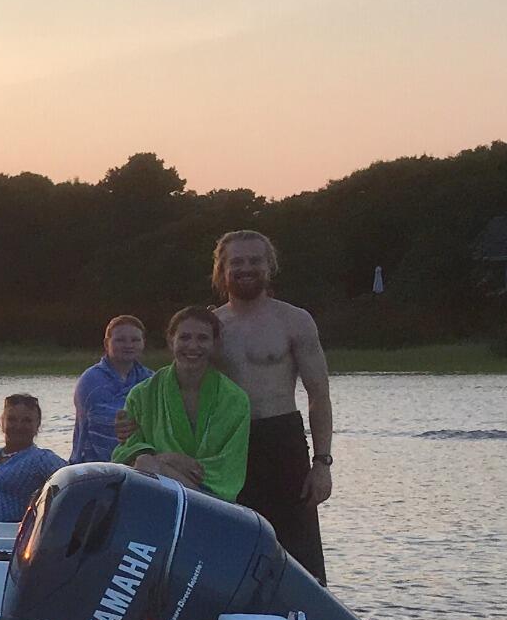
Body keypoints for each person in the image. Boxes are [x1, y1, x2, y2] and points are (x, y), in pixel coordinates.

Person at [212, 230, 334, 581]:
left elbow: (319, 395)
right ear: (222, 269)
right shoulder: (211, 326)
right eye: (237, 262)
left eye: (255, 260)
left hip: (283, 440)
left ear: (270, 266)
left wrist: (322, 463)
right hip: (230, 446)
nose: (246, 268)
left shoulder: (294, 320)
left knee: (300, 552)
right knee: (237, 549)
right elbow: (180, 387)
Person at [113, 307, 250, 500]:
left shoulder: (235, 400)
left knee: (147, 463)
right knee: (144, 462)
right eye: (184, 338)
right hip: (156, 495)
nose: (193, 346)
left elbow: (229, 467)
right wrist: (168, 460)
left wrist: (162, 462)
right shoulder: (142, 395)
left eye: (202, 338)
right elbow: (126, 452)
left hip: (213, 501)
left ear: (215, 343)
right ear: (171, 340)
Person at [0, 394, 66, 523]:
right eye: (12, 420)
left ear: (38, 425)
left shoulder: (42, 459)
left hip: (2, 526)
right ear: (2, 422)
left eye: (27, 421)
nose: (18, 426)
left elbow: (73, 482)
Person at [69, 316, 151, 464]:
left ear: (143, 343)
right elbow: (104, 424)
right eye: (120, 340)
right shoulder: (91, 379)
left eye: (135, 340)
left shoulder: (150, 379)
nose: (128, 345)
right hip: (93, 465)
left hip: (141, 463)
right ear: (107, 344)